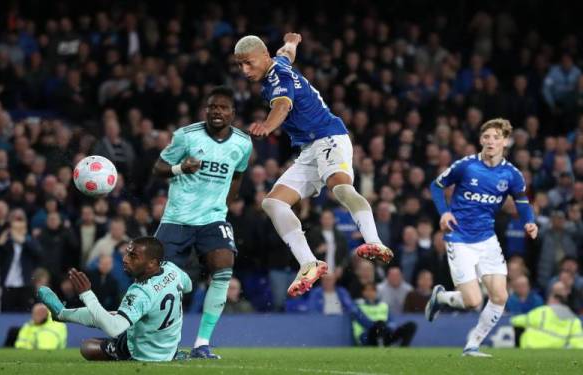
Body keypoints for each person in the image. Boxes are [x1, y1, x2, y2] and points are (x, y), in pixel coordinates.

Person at [234, 33, 393, 297]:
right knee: (272, 203)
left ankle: (374, 243)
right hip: (309, 149)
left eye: (249, 63)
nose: (244, 70)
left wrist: (267, 126)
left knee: (340, 188)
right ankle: (309, 263)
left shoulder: (279, 79)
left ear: (264, 57)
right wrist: (293, 42)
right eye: (240, 65)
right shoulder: (279, 64)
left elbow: (282, 107)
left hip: (329, 137)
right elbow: (286, 53)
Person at [152, 86, 253, 358]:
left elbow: (238, 176)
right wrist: (179, 168)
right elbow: (158, 168)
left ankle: (201, 344)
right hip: (177, 219)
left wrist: (224, 208)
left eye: (223, 107)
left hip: (212, 218)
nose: (216, 111)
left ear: (233, 113)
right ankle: (165, 345)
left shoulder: (243, 143)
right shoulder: (185, 136)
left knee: (223, 267)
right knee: (161, 282)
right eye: (212, 107)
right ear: (205, 110)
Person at [426, 118, 538, 357]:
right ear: (480, 140)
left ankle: (472, 345)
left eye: (496, 137)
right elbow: (436, 186)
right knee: (473, 301)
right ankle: (441, 297)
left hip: (487, 239)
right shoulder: (466, 166)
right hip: (459, 238)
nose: (490, 141)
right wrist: (444, 212)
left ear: (506, 142)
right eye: (486, 136)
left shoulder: (512, 174)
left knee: (500, 295)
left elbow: (522, 201)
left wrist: (529, 221)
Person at [37, 237, 193, 361]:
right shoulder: (171, 269)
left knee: (87, 346)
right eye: (127, 253)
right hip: (167, 345)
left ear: (152, 263)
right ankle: (62, 314)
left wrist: (87, 295)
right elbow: (188, 286)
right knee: (115, 315)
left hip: (144, 353)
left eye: (133, 256)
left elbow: (113, 329)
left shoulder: (141, 292)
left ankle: (62, 314)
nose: (125, 259)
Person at [511, 281, 583, 349]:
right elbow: (579, 344)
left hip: (531, 347)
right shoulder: (574, 321)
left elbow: (515, 321)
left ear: (553, 298)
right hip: (557, 350)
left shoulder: (543, 311)